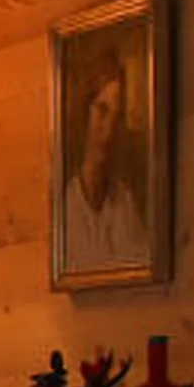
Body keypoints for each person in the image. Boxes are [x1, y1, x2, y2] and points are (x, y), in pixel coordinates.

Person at [58, 61, 146, 279]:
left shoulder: (124, 201)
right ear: (84, 112)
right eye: (102, 111)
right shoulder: (64, 204)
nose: (108, 130)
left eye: (117, 117)